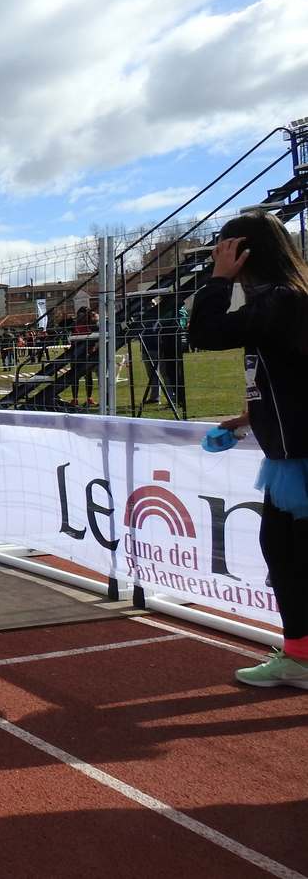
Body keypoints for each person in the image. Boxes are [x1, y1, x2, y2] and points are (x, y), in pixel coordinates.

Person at [188, 211, 308, 688]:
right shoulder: (281, 301)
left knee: (290, 555)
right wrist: (247, 417)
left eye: (224, 248)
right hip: (289, 454)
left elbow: (205, 332)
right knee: (282, 552)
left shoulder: (281, 299)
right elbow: (287, 376)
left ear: (243, 252)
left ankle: (300, 657)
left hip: (301, 457)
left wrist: (218, 279)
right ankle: (299, 654)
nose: (218, 256)